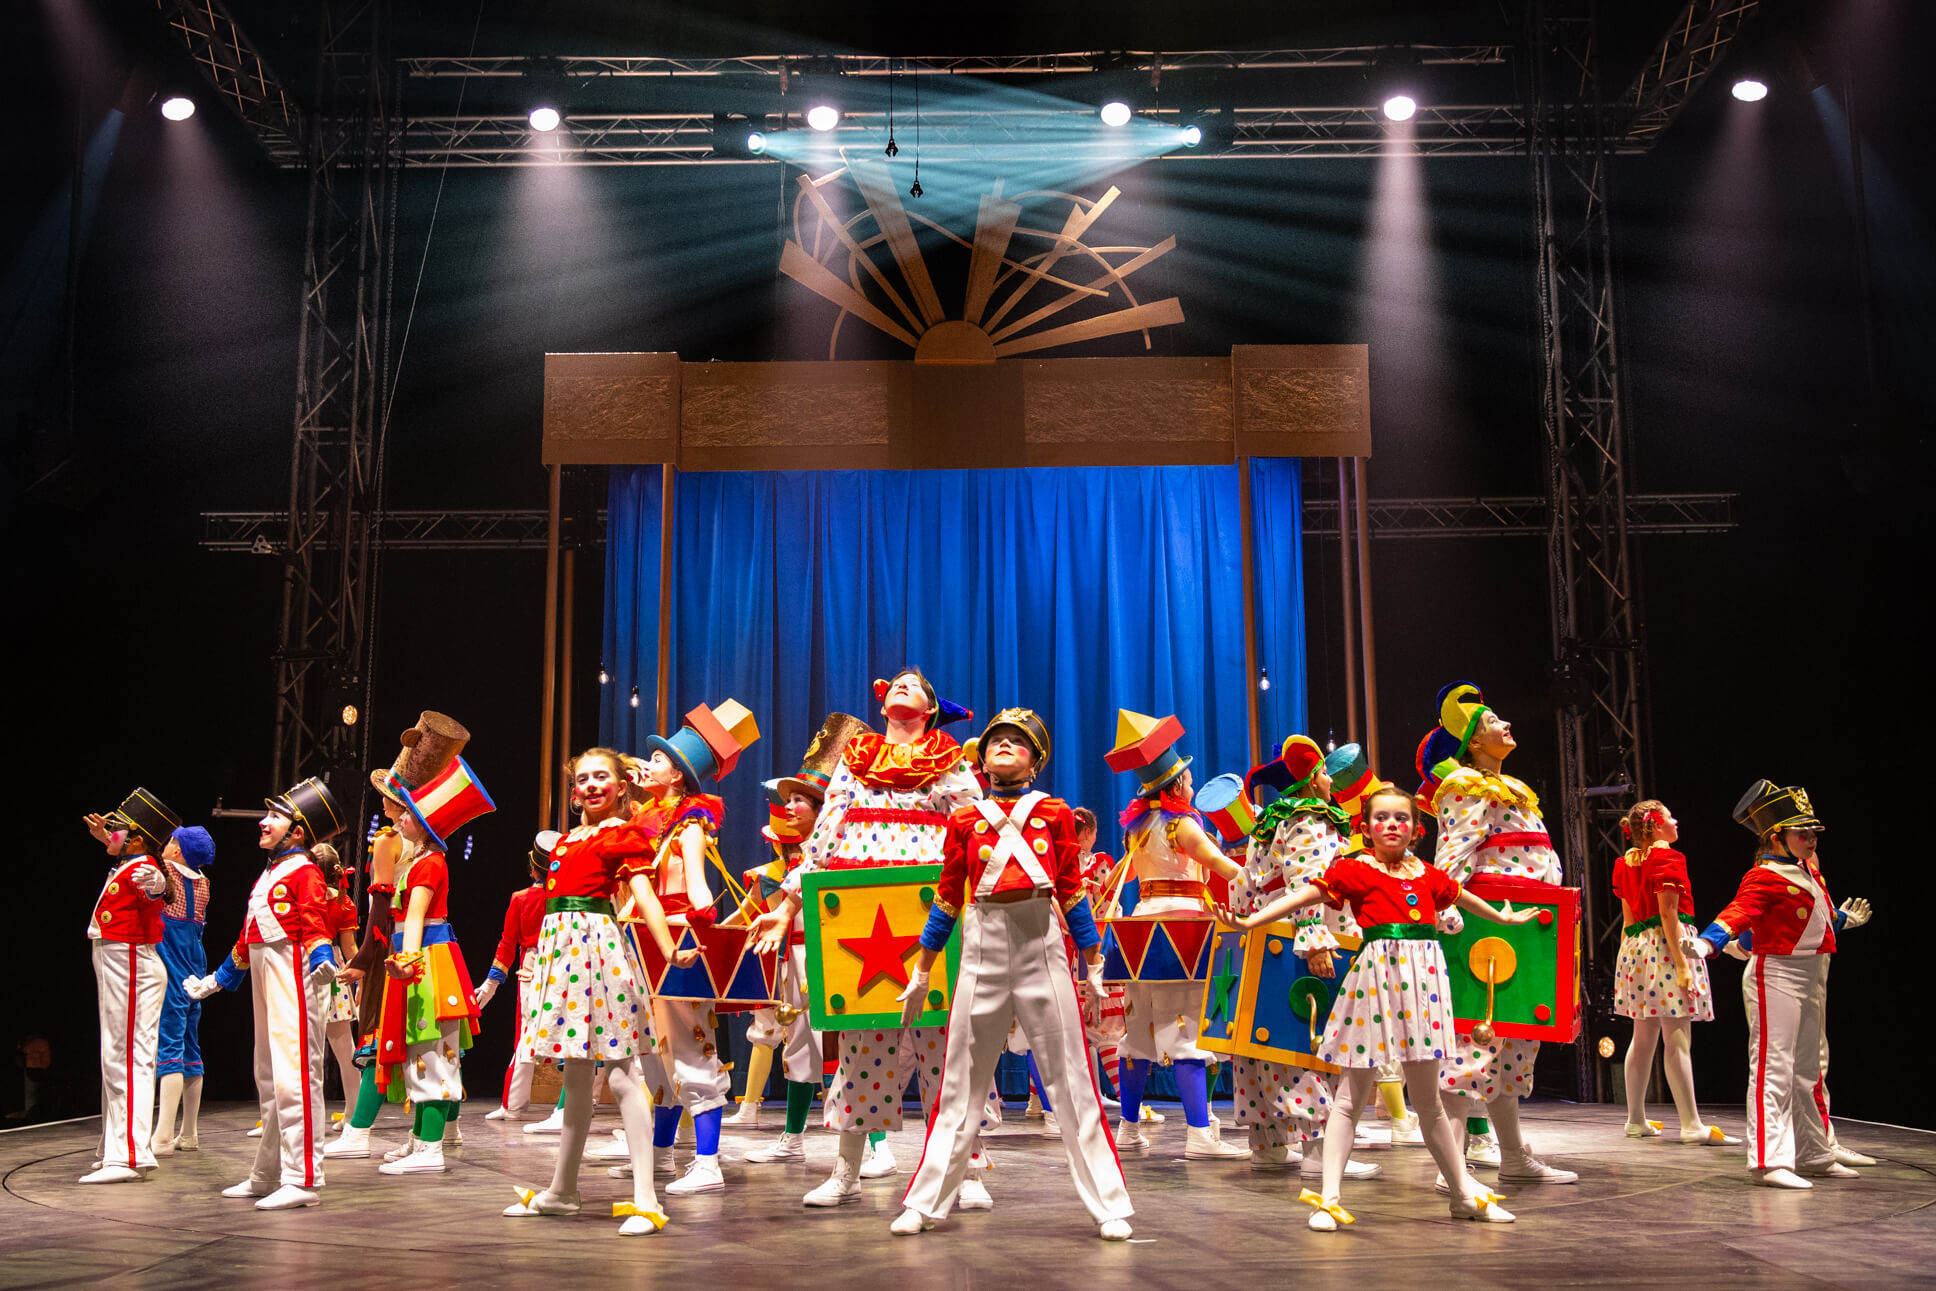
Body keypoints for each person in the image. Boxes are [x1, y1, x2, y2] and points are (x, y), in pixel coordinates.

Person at [1220, 785, 1537, 1229]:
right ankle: (1328, 1198)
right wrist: (1254, 920)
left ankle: (1462, 1194)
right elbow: (1307, 895)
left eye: (1402, 818)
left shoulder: (1425, 873)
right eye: (1382, 818)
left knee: (1429, 1103)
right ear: (1365, 828)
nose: (1392, 824)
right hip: (1376, 981)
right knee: (1349, 1098)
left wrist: (1501, 917)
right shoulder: (1357, 870)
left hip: (1423, 985)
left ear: (1415, 828)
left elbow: (1458, 894)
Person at [890, 708, 1133, 1240]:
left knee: (1072, 1079)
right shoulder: (963, 819)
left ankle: (1109, 1202)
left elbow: (1070, 891)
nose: (1003, 745)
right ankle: (927, 1200)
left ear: (1035, 759)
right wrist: (923, 968)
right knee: (958, 1084)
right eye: (995, 738)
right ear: (981, 757)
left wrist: (1093, 960)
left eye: (1016, 741)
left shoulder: (1056, 813)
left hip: (1039, 942)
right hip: (980, 944)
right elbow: (947, 898)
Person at [751, 668, 988, 1208]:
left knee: (945, 1050)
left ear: (929, 708)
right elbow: (825, 834)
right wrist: (788, 905)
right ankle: (846, 1171)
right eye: (895, 684)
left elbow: (978, 830)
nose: (902, 685)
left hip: (931, 913)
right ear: (883, 707)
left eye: (915, 684)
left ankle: (965, 1174)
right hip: (859, 910)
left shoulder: (949, 761)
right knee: (863, 1048)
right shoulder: (855, 760)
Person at [501, 746, 696, 1236]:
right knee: (575, 1080)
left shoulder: (622, 835)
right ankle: (562, 1190)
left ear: (620, 786)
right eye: (583, 778)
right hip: (561, 957)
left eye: (601, 777)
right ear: (573, 792)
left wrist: (669, 950)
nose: (591, 785)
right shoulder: (566, 841)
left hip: (597, 953)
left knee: (623, 1074)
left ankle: (647, 1199)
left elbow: (645, 897)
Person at [1416, 682, 1579, 1186]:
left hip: (1528, 928)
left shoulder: (1509, 788)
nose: (1505, 724)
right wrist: (1450, 921)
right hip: (1488, 927)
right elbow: (1452, 860)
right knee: (1473, 1044)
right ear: (1473, 742)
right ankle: (1454, 1166)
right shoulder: (1466, 785)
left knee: (1514, 1046)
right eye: (1492, 722)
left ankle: (1512, 1157)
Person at [1693, 780, 1872, 1190]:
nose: (1810, 839)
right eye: (1801, 832)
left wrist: (1846, 921)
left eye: (1812, 832)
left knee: (1810, 1070)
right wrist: (1708, 940)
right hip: (1777, 974)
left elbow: (1820, 916)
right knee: (1773, 1069)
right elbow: (1738, 912)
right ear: (1777, 836)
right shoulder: (1763, 876)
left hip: (1812, 973)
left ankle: (1813, 1153)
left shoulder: (1809, 869)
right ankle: (1768, 1161)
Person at [185, 777, 346, 1210]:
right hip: (265, 970)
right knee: (270, 1076)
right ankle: (267, 1173)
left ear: (297, 832)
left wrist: (320, 957)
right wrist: (218, 979)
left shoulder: (305, 870)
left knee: (295, 1075)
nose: (264, 821)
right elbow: (249, 935)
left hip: (292, 972)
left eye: (275, 815)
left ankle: (304, 1178)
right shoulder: (271, 872)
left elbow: (313, 921)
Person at [1228, 740, 1383, 1183]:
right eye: (1325, 773)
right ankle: (1319, 1148)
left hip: (1266, 937)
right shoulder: (1311, 819)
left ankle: (1270, 1147)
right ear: (1312, 778)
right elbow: (1309, 882)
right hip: (1305, 939)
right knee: (1311, 1040)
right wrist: (1314, 942)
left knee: (1266, 1045)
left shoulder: (1266, 825)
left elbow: (1242, 889)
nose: (1332, 780)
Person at [1100, 709, 1246, 1159]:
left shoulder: (1138, 827)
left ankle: (1128, 1128)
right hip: (1181, 923)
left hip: (1143, 921)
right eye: (1186, 777)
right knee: (1187, 1028)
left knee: (1139, 1031)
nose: (1189, 783)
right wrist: (1258, 881)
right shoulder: (1181, 824)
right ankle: (1199, 1134)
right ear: (1177, 785)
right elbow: (1221, 867)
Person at [630, 698, 761, 1196]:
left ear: (680, 777)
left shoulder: (686, 823)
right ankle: (662, 1155)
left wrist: (702, 922)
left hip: (679, 931)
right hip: (645, 933)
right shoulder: (648, 818)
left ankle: (708, 1162)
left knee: (690, 1047)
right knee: (656, 1051)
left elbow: (699, 880)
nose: (650, 763)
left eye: (661, 760)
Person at [330, 712, 468, 1161]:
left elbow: (393, 913)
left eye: (400, 803)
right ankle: (426, 1137)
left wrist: (379, 958)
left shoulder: (402, 849)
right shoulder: (415, 852)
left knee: (419, 1045)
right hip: (408, 955)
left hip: (410, 957)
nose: (392, 809)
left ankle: (409, 1140)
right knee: (418, 1044)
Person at [738, 715, 867, 1161]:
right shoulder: (796, 865)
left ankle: (874, 1146)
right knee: (797, 1046)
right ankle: (793, 1139)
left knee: (848, 1047)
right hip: (794, 959)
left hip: (835, 957)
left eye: (799, 801)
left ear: (821, 807)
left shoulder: (841, 855)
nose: (788, 808)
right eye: (789, 800)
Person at [371, 755, 495, 1174]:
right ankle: (419, 1138)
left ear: (423, 825)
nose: (401, 817)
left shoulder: (428, 863)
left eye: (408, 812)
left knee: (433, 1055)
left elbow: (417, 915)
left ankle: (431, 1149)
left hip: (428, 959)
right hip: (425, 956)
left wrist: (406, 958)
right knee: (420, 1054)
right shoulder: (422, 859)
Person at [1611, 800, 1736, 1146]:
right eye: (1669, 816)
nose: (1676, 820)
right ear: (1654, 826)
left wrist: (1626, 965)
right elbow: (1668, 915)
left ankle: (1635, 1120)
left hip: (1636, 950)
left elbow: (1629, 921)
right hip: (1667, 947)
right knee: (1677, 1036)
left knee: (1644, 1036)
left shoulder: (1624, 863)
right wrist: (1683, 966)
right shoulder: (1668, 858)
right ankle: (1691, 1124)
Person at [79, 790, 180, 1184]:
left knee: (124, 1056)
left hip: (132, 962)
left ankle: (125, 1156)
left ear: (137, 839)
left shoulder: (145, 868)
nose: (110, 835)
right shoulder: (129, 861)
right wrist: (109, 837)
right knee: (118, 1054)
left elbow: (159, 890)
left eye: (117, 831)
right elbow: (130, 856)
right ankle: (120, 1148)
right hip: (121, 962)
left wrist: (160, 884)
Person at [477, 832, 554, 1120]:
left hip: (532, 963)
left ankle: (513, 1104)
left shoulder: (521, 899)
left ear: (533, 869)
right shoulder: (564, 899)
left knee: (526, 1035)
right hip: (563, 961)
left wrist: (492, 981)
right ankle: (572, 1104)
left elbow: (507, 943)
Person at [152, 824, 214, 1155]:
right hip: (195, 970)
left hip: (171, 966)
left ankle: (162, 1135)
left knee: (170, 1047)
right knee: (191, 1046)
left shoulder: (166, 874)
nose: (165, 844)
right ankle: (188, 1133)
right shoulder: (204, 883)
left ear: (176, 851)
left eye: (171, 841)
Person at [312, 844, 363, 1129]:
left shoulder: (307, 899)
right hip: (336, 970)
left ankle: (305, 1115)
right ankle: (354, 1113)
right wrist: (361, 974)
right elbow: (350, 948)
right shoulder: (344, 903)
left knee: (307, 1050)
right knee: (345, 1050)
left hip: (308, 965)